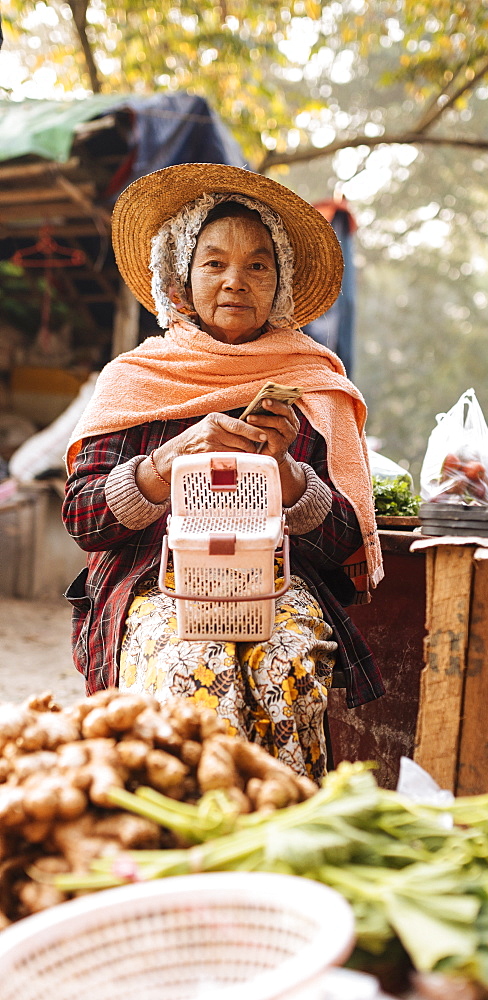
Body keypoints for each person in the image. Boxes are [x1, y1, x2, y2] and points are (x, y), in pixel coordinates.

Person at [62, 163, 384, 781]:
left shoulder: (311, 382)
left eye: (257, 265)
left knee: (285, 668)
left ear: (279, 282)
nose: (236, 281)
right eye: (214, 263)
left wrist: (288, 475)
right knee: (192, 666)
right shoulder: (136, 379)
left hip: (275, 589)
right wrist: (169, 460)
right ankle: (199, 843)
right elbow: (83, 519)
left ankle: (283, 839)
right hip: (157, 586)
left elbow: (348, 541)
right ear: (182, 276)